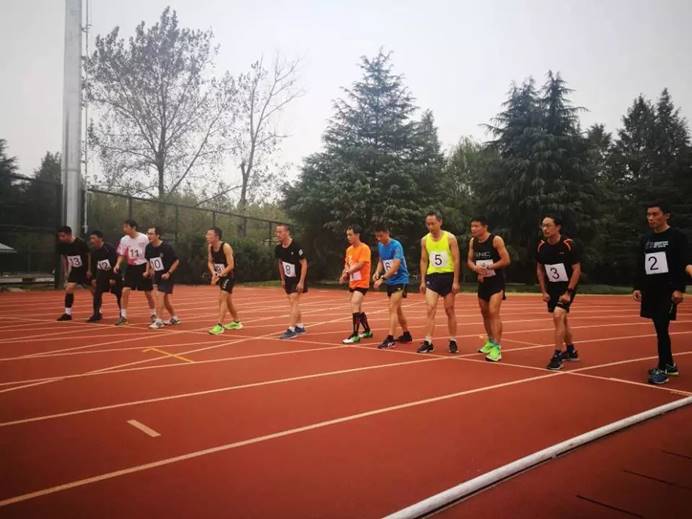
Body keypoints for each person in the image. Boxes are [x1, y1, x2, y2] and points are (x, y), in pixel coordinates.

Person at [633, 201, 688, 385]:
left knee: (662, 326)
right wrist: (637, 286)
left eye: (655, 214)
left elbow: (683, 263)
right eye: (648, 214)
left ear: (666, 215)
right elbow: (641, 264)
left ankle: (663, 368)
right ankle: (670, 364)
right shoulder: (646, 239)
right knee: (659, 327)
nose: (651, 218)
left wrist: (679, 288)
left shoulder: (677, 237)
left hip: (668, 290)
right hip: (651, 290)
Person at [536, 215, 581, 371]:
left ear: (558, 227)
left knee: (557, 315)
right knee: (563, 319)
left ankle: (557, 355)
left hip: (567, 286)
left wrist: (569, 292)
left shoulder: (568, 244)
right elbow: (540, 270)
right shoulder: (541, 246)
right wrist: (543, 291)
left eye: (548, 225)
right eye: (543, 225)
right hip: (552, 288)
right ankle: (571, 351)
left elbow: (577, 270)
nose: (545, 229)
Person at [467, 217, 511, 362]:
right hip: (483, 282)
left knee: (493, 312)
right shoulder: (473, 242)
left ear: (485, 227)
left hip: (496, 282)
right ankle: (491, 341)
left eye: (476, 226)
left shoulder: (495, 240)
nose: (473, 229)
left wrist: (489, 267)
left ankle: (497, 348)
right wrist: (476, 268)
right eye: (472, 226)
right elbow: (469, 260)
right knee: (484, 312)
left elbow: (506, 260)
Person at [417, 212, 461, 354]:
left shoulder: (450, 238)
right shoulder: (424, 240)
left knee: (449, 309)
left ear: (440, 222)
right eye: (428, 224)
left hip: (448, 277)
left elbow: (456, 260)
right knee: (430, 309)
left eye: (433, 224)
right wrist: (422, 280)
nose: (430, 227)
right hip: (433, 277)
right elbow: (424, 260)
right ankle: (428, 342)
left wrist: (455, 281)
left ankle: (453, 340)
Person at [373, 224, 413, 349]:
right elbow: (381, 261)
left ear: (387, 233)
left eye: (381, 236)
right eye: (377, 236)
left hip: (400, 279)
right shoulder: (380, 245)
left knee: (392, 308)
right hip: (390, 281)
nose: (379, 239)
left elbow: (396, 265)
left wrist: (382, 278)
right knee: (398, 309)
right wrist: (377, 272)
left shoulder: (396, 246)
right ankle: (406, 334)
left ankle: (390, 339)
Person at [113, 219, 156, 326]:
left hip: (143, 266)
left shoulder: (144, 238)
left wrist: (150, 269)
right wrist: (117, 264)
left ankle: (153, 314)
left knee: (148, 293)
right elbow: (122, 254)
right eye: (124, 227)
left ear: (133, 228)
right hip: (131, 267)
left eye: (126, 227)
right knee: (125, 290)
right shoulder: (124, 240)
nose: (124, 229)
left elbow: (151, 254)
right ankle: (123, 316)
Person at [339, 224, 373, 344]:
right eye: (347, 235)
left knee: (354, 303)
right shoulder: (349, 250)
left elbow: (361, 264)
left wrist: (348, 272)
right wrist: (344, 273)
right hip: (353, 282)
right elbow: (347, 264)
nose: (348, 237)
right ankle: (367, 331)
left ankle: (355, 335)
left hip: (362, 282)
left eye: (350, 234)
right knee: (358, 307)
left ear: (357, 235)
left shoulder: (364, 248)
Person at [275, 224, 308, 340]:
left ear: (287, 232)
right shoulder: (278, 248)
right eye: (277, 232)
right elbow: (280, 263)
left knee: (294, 300)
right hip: (288, 279)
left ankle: (291, 329)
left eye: (280, 232)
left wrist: (301, 282)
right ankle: (300, 326)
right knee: (293, 302)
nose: (278, 234)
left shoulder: (296, 246)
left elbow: (304, 263)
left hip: (297, 279)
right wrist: (282, 279)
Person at [207, 227, 242, 335]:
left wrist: (220, 274)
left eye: (209, 234)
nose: (207, 236)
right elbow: (210, 262)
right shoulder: (210, 247)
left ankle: (219, 325)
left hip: (230, 275)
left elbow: (231, 265)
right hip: (221, 275)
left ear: (217, 237)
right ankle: (236, 322)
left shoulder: (226, 247)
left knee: (222, 298)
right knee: (228, 300)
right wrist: (213, 273)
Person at [145, 227, 181, 329]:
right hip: (157, 275)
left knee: (159, 296)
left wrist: (168, 273)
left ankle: (159, 320)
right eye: (148, 233)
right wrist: (148, 270)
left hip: (167, 276)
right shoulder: (148, 247)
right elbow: (148, 260)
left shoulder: (166, 247)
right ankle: (174, 317)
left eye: (151, 234)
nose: (149, 236)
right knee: (164, 300)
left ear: (157, 235)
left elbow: (176, 261)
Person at [56, 226, 91, 321]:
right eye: (60, 236)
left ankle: (98, 311)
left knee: (93, 290)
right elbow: (64, 258)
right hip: (75, 269)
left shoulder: (80, 243)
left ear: (69, 234)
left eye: (63, 236)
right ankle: (68, 313)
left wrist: (89, 270)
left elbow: (89, 255)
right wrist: (66, 271)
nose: (61, 238)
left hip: (85, 269)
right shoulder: (61, 245)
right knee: (69, 288)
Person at [87, 230, 122, 322]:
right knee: (97, 294)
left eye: (93, 238)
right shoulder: (93, 250)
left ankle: (122, 313)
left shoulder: (109, 248)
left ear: (100, 238)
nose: (92, 240)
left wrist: (113, 277)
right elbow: (94, 265)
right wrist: (93, 278)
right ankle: (96, 314)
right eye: (91, 238)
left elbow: (114, 263)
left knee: (118, 294)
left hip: (113, 274)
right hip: (102, 275)